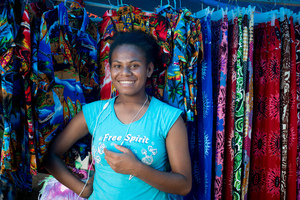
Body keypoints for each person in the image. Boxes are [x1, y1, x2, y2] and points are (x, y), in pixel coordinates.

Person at [43, 31, 192, 199]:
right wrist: (83, 190)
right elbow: (50, 156)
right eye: (117, 66)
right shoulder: (95, 113)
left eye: (134, 65)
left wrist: (136, 169)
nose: (125, 72)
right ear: (110, 70)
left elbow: (184, 185)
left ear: (149, 69)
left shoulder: (168, 118)